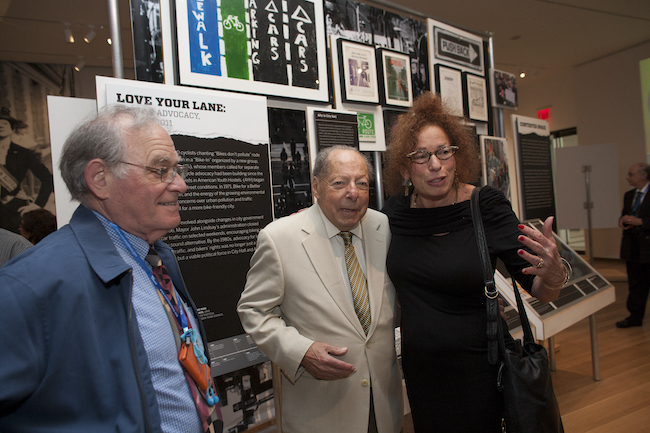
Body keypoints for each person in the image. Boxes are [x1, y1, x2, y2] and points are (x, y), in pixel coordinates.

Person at [0, 105, 219, 432]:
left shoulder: (156, 259)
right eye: (161, 170)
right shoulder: (30, 285)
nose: (179, 185)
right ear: (100, 179)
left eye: (177, 169)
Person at [381, 92, 567, 432]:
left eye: (443, 152)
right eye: (421, 156)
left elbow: (541, 290)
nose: (435, 165)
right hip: (422, 370)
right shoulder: (395, 213)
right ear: (405, 166)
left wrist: (554, 274)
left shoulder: (486, 207)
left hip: (481, 369)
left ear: (457, 155)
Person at [237, 146, 403, 433]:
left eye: (361, 183)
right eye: (339, 183)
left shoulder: (382, 227)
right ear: (316, 186)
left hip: (385, 409)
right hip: (322, 414)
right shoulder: (280, 238)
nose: (353, 192)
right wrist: (301, 352)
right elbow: (253, 311)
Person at [0, 107, 54, 233]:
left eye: (4, 123)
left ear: (12, 128)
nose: (0, 126)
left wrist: (38, 204)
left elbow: (47, 178)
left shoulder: (23, 153)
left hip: (15, 209)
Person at [616, 162, 650, 328]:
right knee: (636, 284)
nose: (627, 177)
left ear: (643, 175)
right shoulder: (629, 195)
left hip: (648, 246)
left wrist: (641, 222)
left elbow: (642, 219)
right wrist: (623, 221)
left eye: (631, 174)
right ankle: (635, 317)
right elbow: (624, 215)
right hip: (633, 247)